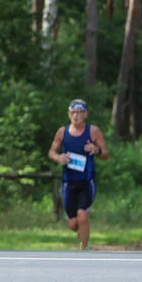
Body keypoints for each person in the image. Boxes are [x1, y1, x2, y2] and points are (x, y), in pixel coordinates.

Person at [47, 99, 110, 250]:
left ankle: (83, 249)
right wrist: (58, 158)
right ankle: (82, 237)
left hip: (87, 181)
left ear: (85, 114)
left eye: (79, 113)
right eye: (73, 112)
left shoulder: (93, 131)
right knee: (73, 223)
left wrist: (97, 150)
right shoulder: (62, 132)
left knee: (82, 216)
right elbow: (51, 151)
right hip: (69, 182)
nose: (76, 116)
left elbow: (106, 154)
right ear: (69, 114)